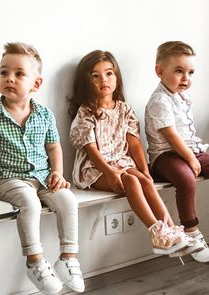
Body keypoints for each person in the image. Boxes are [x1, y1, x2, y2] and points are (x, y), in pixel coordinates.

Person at [0, 42, 84, 294]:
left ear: (36, 84)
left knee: (68, 200)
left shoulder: (44, 115)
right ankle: (34, 262)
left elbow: (54, 147)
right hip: (9, 180)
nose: (9, 78)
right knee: (29, 203)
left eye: (19, 74)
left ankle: (68, 257)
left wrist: (58, 173)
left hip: (43, 177)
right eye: (4, 72)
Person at [69, 50, 200, 258]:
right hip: (95, 169)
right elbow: (90, 149)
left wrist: (145, 170)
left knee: (144, 180)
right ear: (87, 81)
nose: (104, 79)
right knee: (130, 179)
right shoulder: (86, 111)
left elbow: (134, 144)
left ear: (116, 77)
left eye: (109, 73)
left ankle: (171, 230)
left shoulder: (124, 110)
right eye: (96, 75)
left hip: (122, 163)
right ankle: (156, 233)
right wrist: (111, 173)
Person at [145, 40, 209, 262]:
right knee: (186, 179)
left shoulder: (183, 97)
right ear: (159, 71)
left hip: (190, 149)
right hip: (166, 156)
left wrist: (194, 154)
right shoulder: (159, 100)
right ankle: (191, 232)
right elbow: (171, 136)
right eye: (179, 71)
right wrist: (191, 158)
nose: (186, 78)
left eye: (190, 72)